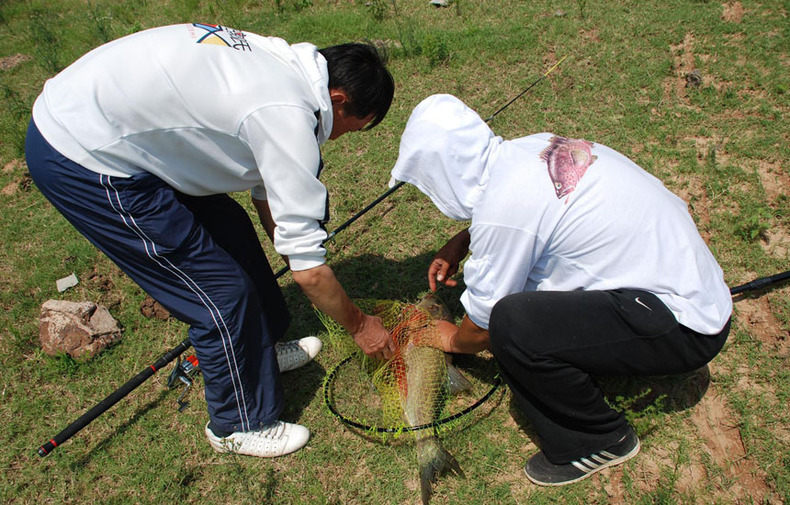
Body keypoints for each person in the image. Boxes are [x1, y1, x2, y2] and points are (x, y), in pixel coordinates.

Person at [25, 23, 396, 459]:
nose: (344, 138)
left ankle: (263, 348)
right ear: (339, 100)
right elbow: (311, 275)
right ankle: (237, 423)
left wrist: (298, 244)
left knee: (231, 231)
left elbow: (268, 197)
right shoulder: (286, 113)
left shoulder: (287, 64)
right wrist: (362, 326)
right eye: (354, 128)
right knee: (220, 294)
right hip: (81, 152)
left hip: (128, 134)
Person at [389, 94, 732, 486]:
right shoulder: (527, 148)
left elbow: (482, 328)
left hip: (684, 328)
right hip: (695, 292)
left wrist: (450, 339)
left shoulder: (506, 211)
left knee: (512, 322)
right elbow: (531, 213)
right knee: (528, 306)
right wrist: (464, 241)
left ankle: (598, 439)